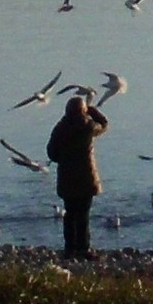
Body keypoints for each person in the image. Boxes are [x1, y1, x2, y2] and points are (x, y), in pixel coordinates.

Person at [45, 95, 110, 258]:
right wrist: (93, 110)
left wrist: (64, 159)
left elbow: (51, 153)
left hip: (67, 178)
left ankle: (69, 248)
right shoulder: (87, 126)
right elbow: (104, 125)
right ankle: (83, 248)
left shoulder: (60, 128)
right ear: (83, 110)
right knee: (83, 214)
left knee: (70, 213)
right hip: (86, 177)